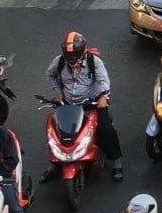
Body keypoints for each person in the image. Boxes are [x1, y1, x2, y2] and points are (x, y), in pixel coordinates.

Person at [44, 32, 124, 183]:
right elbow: (50, 75)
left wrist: (103, 97)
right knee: (56, 132)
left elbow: (103, 81)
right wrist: (58, 92)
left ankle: (116, 162)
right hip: (68, 105)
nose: (72, 59)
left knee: (105, 129)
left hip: (91, 104)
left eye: (75, 55)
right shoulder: (59, 61)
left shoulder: (95, 62)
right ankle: (55, 163)